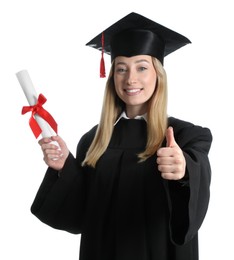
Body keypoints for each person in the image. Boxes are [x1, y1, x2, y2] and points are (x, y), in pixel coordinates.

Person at [31, 12, 212, 260]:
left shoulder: (185, 136)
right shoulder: (94, 140)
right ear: (113, 77)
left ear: (158, 74)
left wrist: (185, 171)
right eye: (121, 69)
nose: (131, 79)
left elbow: (191, 199)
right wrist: (65, 168)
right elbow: (79, 216)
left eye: (141, 67)